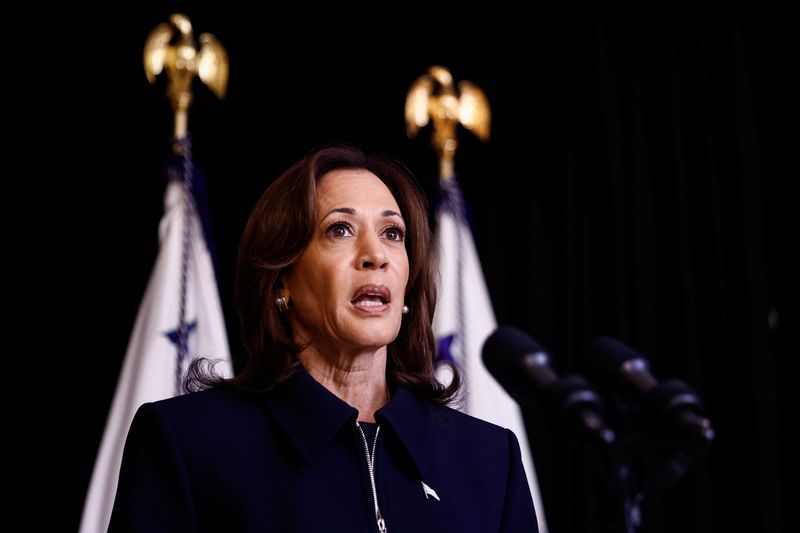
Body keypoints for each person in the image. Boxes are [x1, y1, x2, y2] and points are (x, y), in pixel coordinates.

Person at [107, 143, 539, 532]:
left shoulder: (490, 460)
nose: (375, 256)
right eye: (340, 230)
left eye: (393, 234)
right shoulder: (186, 442)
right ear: (282, 280)